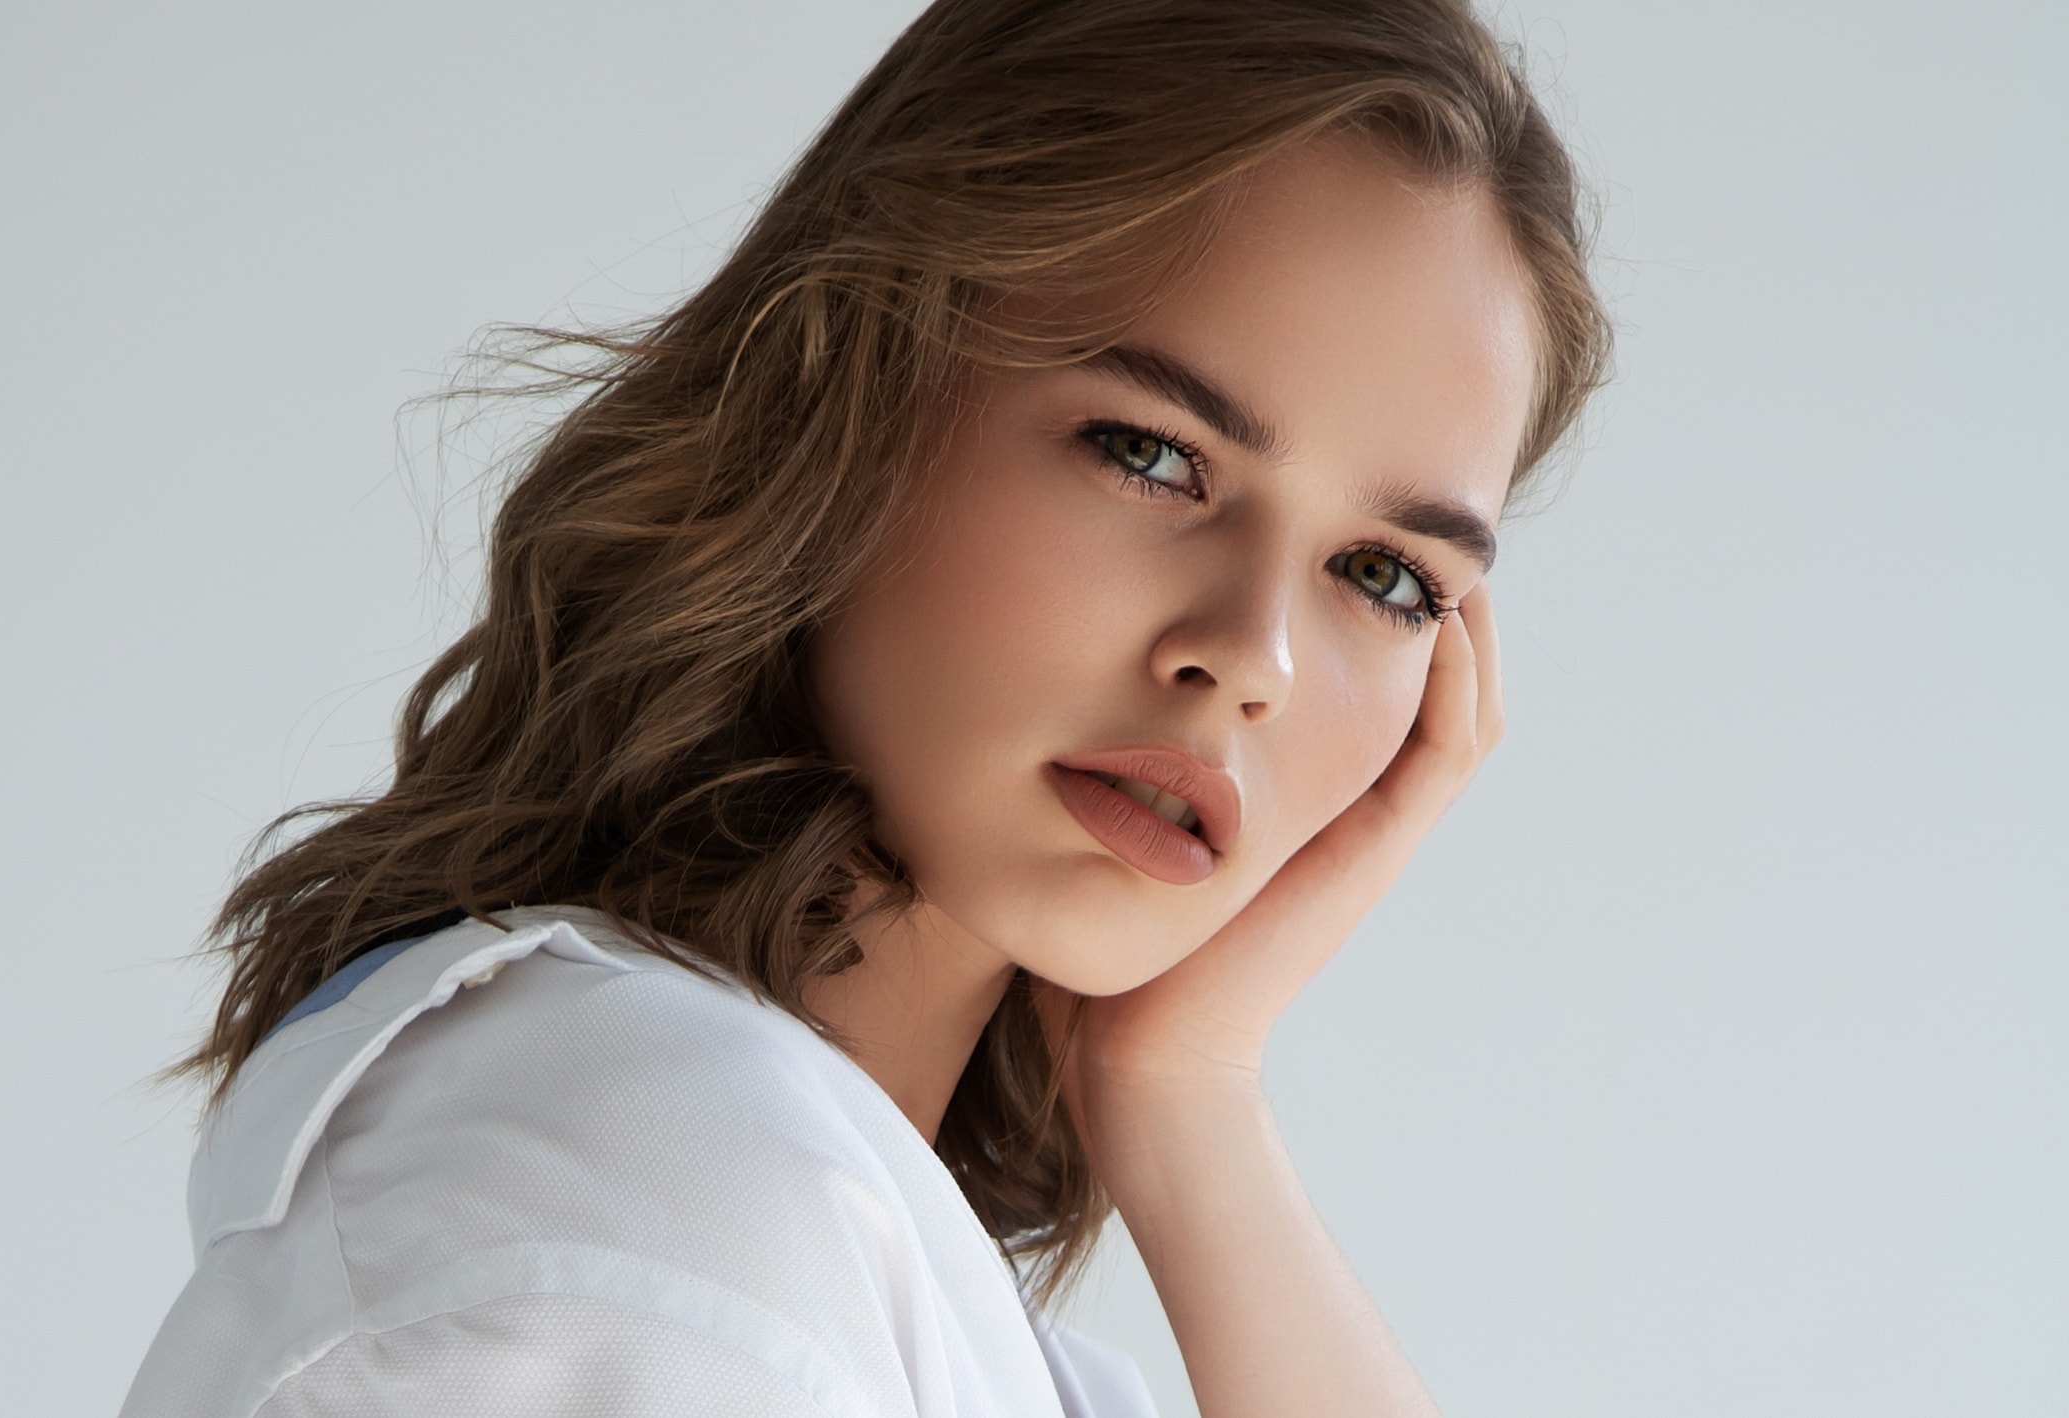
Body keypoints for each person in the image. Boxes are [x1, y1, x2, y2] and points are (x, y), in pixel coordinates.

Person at [119, 0, 1610, 1413]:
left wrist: (1190, 1097)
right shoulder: (667, 1222)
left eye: (1386, 576)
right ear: (856, 384)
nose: (1254, 654)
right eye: (1151, 455)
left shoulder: (841, 1269)